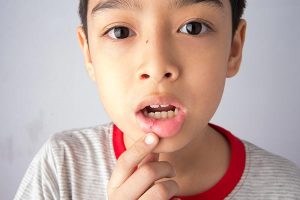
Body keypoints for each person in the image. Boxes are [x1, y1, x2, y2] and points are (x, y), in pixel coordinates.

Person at [14, 0, 300, 199]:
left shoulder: (288, 188)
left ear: (233, 50)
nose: (156, 65)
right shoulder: (62, 166)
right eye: (120, 31)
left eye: (194, 28)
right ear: (89, 55)